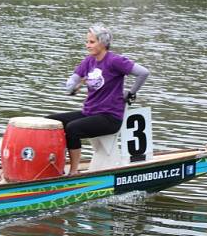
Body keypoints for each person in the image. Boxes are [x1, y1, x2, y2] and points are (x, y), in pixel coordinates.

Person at [47, 25, 149, 175]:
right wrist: (70, 86)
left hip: (110, 118)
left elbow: (143, 73)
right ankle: (54, 165)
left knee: (73, 129)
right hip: (90, 113)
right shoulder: (88, 61)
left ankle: (74, 171)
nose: (87, 45)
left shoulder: (115, 61)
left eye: (91, 42)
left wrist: (131, 93)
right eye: (87, 42)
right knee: (50, 122)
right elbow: (72, 81)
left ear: (103, 42)